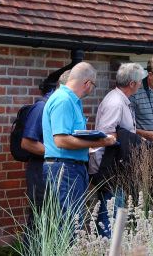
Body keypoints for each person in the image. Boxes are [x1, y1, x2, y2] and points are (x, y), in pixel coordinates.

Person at [42, 62, 116, 216]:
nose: (92, 89)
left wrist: (89, 144)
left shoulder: (72, 100)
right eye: (94, 85)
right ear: (87, 83)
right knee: (70, 223)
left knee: (72, 222)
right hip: (65, 169)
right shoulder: (64, 100)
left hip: (70, 167)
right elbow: (61, 141)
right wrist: (101, 142)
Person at [89, 62, 144, 238]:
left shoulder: (121, 100)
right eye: (140, 81)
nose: (141, 84)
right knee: (110, 216)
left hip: (118, 167)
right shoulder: (115, 102)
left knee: (115, 214)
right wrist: (133, 140)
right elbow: (106, 135)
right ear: (132, 84)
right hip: (110, 169)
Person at [21, 80, 56, 232]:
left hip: (51, 171)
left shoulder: (56, 107)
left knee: (51, 222)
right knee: (38, 223)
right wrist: (58, 153)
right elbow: (27, 143)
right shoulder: (42, 107)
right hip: (39, 172)